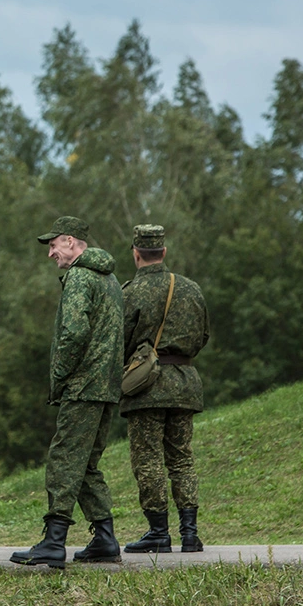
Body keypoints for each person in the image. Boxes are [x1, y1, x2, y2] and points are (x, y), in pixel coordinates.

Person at [12, 216, 124, 569]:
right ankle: (105, 539)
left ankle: (53, 541)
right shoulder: (111, 279)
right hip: (107, 386)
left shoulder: (79, 276)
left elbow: (74, 333)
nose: (50, 254)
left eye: (54, 245)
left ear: (72, 242)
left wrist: (59, 376)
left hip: (84, 384)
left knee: (63, 459)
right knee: (86, 463)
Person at [121, 225, 210, 553]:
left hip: (147, 387)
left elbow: (121, 340)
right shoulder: (191, 289)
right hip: (185, 382)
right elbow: (203, 336)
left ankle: (158, 532)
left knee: (147, 458)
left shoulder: (130, 292)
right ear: (164, 252)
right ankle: (190, 534)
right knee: (182, 457)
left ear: (135, 252)